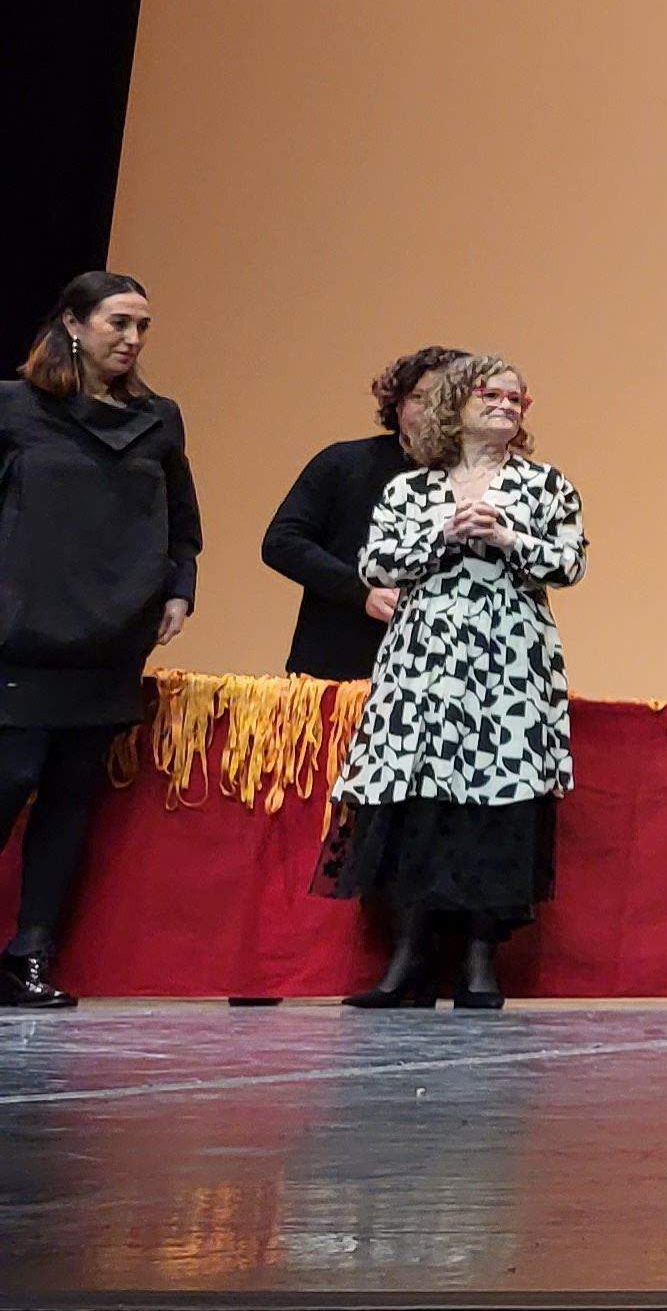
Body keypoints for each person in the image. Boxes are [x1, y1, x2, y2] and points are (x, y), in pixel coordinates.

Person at [321, 354, 587, 1009]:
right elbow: (377, 560)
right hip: (424, 663)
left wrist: (508, 537)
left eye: (517, 398)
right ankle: (406, 960)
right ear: (457, 404)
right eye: (490, 393)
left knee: (496, 807)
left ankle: (478, 964)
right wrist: (443, 531)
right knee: (418, 802)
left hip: (509, 663)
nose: (504, 404)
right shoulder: (412, 489)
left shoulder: (546, 486)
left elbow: (571, 562)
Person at [0, 273, 201, 1010]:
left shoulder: (157, 417)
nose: (133, 339)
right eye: (119, 322)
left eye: (143, 326)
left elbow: (181, 519)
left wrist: (179, 586)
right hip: (20, 633)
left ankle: (29, 954)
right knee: (9, 777)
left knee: (70, 801)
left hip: (111, 636)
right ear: (74, 325)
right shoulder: (14, 409)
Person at [261, 346, 468, 681]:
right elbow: (281, 543)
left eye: (446, 400)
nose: (431, 411)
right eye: (419, 398)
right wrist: (361, 591)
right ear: (397, 405)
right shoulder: (343, 463)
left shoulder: (485, 479)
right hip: (338, 670)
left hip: (445, 675)